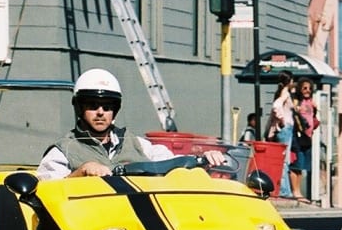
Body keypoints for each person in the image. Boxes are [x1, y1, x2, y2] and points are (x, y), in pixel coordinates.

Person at [37, 68, 225, 180]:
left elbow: (170, 162)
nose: (101, 112)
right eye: (93, 105)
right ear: (79, 108)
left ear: (115, 110)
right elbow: (47, 192)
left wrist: (203, 159)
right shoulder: (64, 150)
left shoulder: (134, 142)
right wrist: (81, 172)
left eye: (107, 106)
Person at [289, 79, 321, 202]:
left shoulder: (311, 102)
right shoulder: (297, 101)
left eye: (309, 88)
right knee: (296, 164)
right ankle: (295, 191)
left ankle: (299, 192)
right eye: (304, 88)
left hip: (308, 137)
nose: (307, 91)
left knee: (302, 167)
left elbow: (313, 120)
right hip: (298, 136)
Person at [266, 71, 297, 197]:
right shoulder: (285, 93)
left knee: (282, 159)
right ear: (289, 81)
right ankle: (284, 190)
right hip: (285, 129)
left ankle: (284, 189)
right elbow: (276, 106)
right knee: (284, 160)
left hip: (283, 129)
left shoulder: (280, 92)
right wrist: (282, 120)